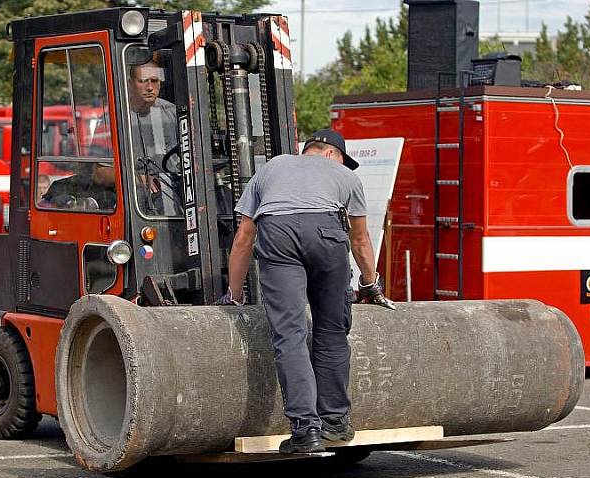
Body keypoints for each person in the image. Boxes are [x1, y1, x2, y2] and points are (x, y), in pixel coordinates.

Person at [221, 128, 395, 454]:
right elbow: (360, 240)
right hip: (327, 233)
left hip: (278, 233)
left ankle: (305, 430)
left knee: (290, 334)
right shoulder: (346, 177)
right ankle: (335, 423)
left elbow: (244, 236)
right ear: (331, 155)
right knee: (331, 331)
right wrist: (371, 285)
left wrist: (234, 294)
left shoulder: (272, 167)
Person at [127, 55, 181, 216]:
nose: (150, 87)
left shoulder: (175, 113)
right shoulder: (116, 118)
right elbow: (100, 173)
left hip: (175, 188)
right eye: (143, 81)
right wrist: (138, 178)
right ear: (130, 83)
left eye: (155, 80)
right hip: (135, 198)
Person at [40, 162, 116, 211]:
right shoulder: (69, 184)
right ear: (96, 167)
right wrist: (72, 203)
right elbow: (45, 204)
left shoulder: (120, 192)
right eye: (113, 167)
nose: (116, 171)